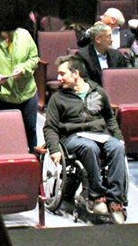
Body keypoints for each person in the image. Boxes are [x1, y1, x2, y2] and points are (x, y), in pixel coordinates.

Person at [43, 55, 127, 222]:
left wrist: (119, 137)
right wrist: (53, 149)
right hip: (72, 138)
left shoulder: (98, 92)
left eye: (62, 74)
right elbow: (50, 127)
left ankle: (115, 200)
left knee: (117, 147)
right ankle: (97, 196)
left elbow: (110, 119)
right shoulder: (57, 98)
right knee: (89, 147)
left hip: (99, 135)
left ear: (76, 73)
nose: (58, 78)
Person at [0, 28, 39, 152]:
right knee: (7, 136)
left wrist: (24, 68)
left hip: (27, 94)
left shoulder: (24, 35)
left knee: (30, 131)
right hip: (3, 97)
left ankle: (35, 165)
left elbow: (34, 58)